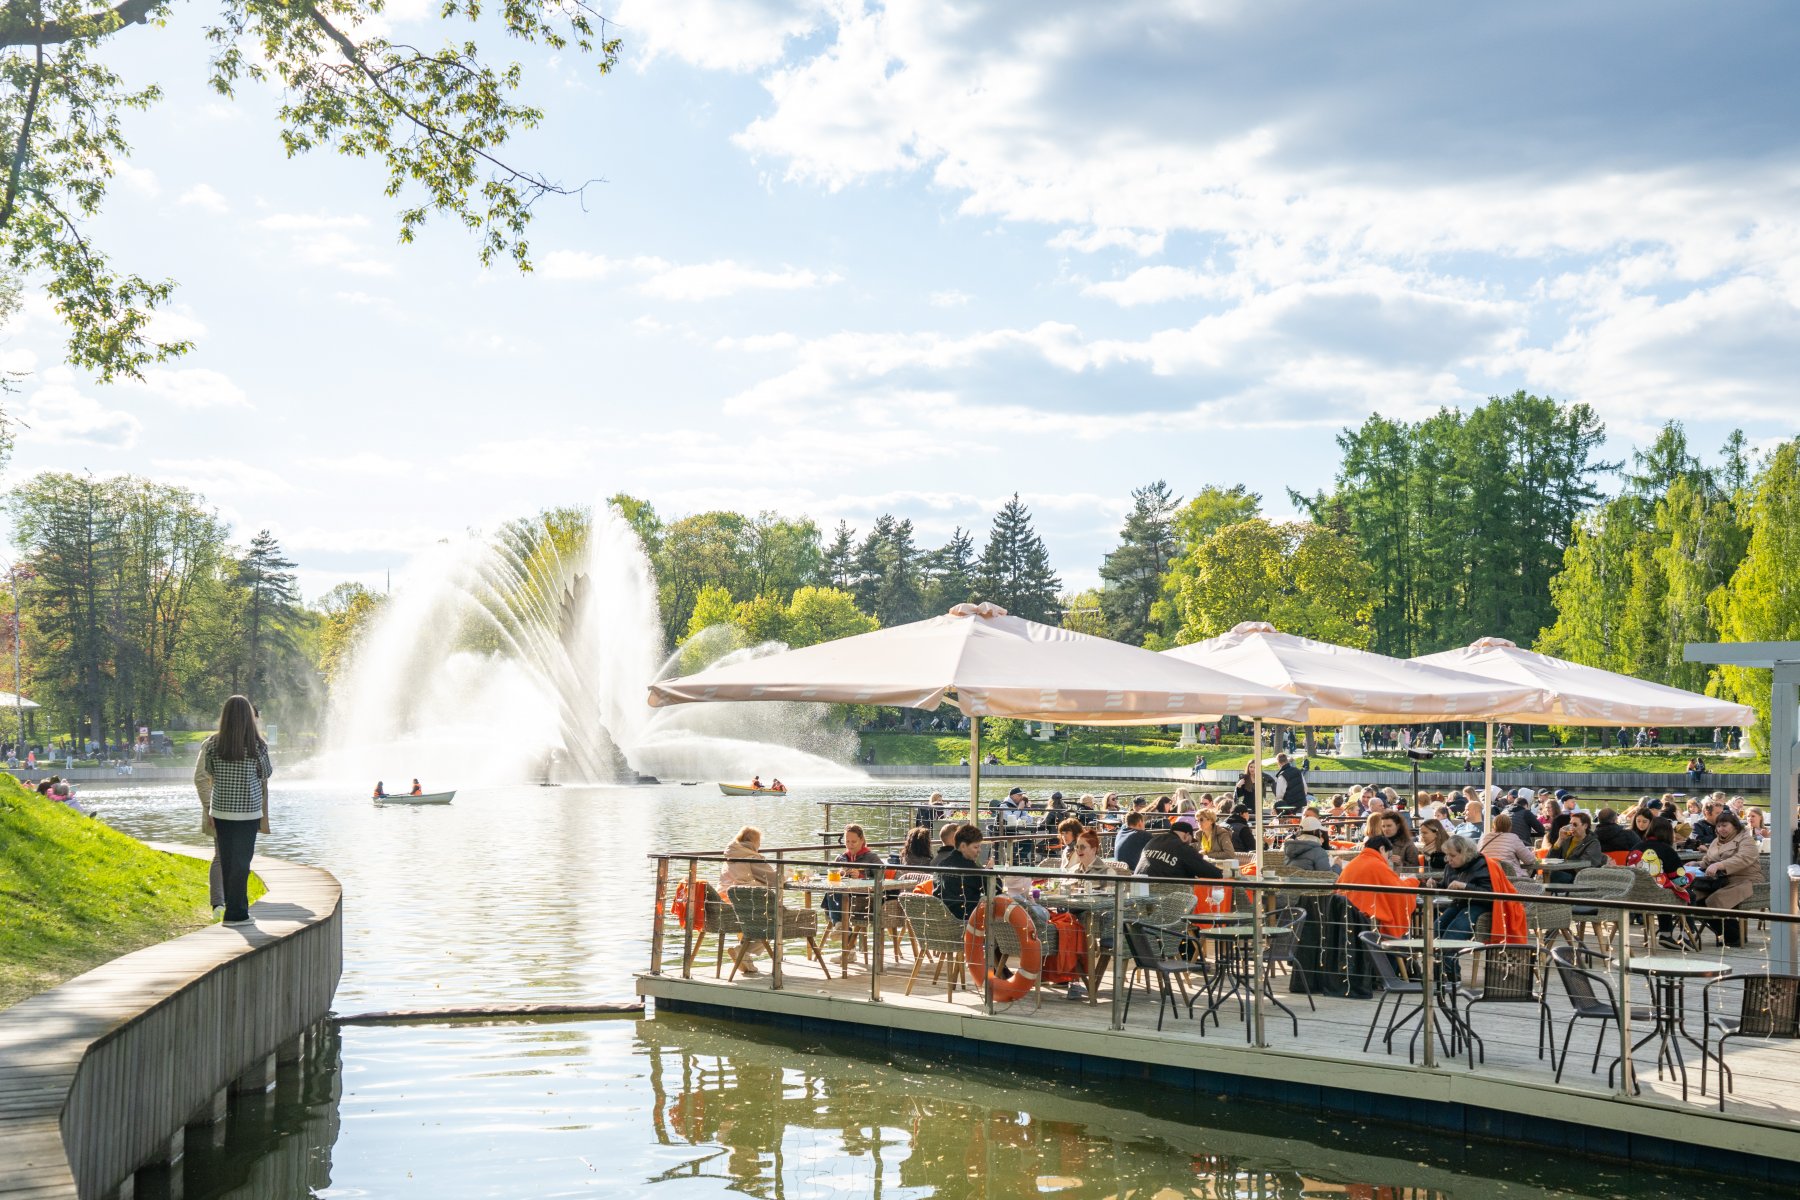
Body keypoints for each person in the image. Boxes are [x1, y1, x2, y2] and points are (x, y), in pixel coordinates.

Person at [194, 695, 273, 929]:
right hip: (248, 811)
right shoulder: (257, 745)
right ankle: (238, 914)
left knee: (227, 861)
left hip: (220, 811)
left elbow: (209, 771)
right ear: (249, 718)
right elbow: (266, 773)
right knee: (242, 862)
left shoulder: (212, 744)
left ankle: (231, 910)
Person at [1690, 811, 1762, 947]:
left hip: (1745, 880)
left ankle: (1734, 937)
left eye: (1724, 825)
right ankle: (1724, 934)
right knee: (1695, 899)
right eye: (1718, 826)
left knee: (1715, 900)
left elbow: (1743, 858)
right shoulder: (1716, 841)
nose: (1720, 829)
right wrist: (1696, 864)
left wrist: (1720, 865)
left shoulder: (1746, 839)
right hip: (1719, 880)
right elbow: (1708, 860)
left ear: (1734, 826)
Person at [824, 824, 884, 962]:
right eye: (847, 842)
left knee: (834, 891)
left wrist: (862, 875)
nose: (850, 845)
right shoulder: (841, 858)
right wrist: (840, 874)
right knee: (834, 887)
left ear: (862, 840)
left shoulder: (871, 857)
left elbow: (882, 878)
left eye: (853, 842)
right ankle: (842, 929)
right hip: (845, 899)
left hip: (865, 900)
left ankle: (840, 926)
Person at [1336, 835, 1415, 937]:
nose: (1387, 859)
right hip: (1369, 920)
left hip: (1348, 917)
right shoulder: (1378, 865)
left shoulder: (1353, 863)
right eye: (1388, 854)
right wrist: (1413, 881)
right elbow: (1399, 890)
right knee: (1403, 935)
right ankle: (1400, 952)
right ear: (1382, 849)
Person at [1136, 814, 1224, 880]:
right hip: (1165, 895)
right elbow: (1212, 873)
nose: (1189, 844)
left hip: (1137, 887)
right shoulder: (1182, 847)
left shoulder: (1154, 840)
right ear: (1186, 836)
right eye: (1190, 841)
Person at [935, 824, 987, 922]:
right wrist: (990, 871)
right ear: (963, 846)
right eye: (976, 847)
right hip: (968, 921)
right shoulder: (972, 870)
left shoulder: (941, 865)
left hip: (942, 919)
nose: (979, 851)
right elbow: (996, 890)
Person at [1475, 813, 1538, 879]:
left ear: (1493, 826)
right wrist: (1532, 854)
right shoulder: (1513, 838)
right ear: (1510, 827)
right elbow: (1529, 860)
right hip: (1510, 879)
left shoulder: (1484, 838)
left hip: (1488, 877)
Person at [1547, 811, 1606, 882]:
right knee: (1549, 875)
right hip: (1563, 873)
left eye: (1575, 825)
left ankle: (1544, 892)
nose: (1572, 827)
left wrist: (1563, 865)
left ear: (1585, 826)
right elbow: (1549, 859)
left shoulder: (1592, 843)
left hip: (1580, 878)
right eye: (1570, 824)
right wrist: (1560, 840)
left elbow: (1587, 864)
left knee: (1555, 876)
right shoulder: (1567, 840)